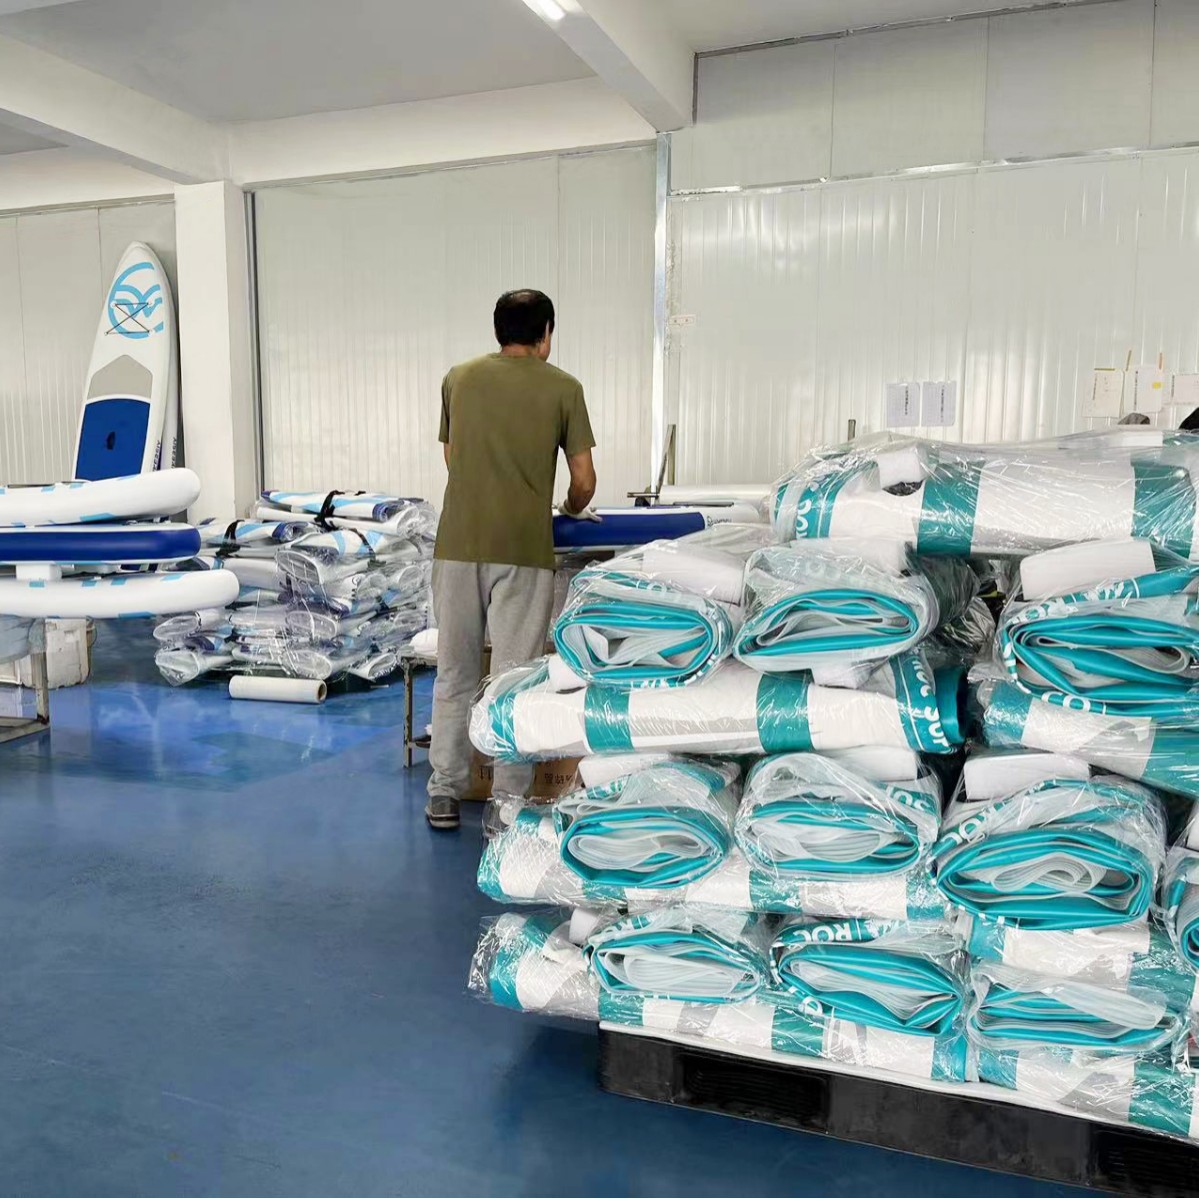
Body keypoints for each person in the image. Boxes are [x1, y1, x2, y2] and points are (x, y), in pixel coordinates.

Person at [425, 289, 598, 831]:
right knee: (513, 681)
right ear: (546, 333)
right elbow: (584, 480)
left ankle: (444, 793)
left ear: (498, 330)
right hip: (523, 550)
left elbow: (453, 457)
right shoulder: (564, 388)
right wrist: (569, 507)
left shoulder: (458, 379)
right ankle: (504, 803)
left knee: (455, 673)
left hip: (457, 545)